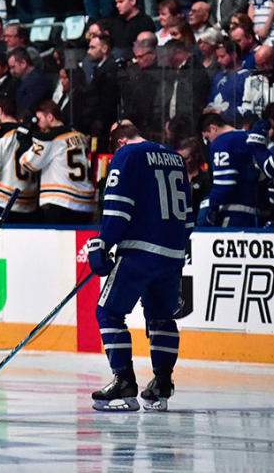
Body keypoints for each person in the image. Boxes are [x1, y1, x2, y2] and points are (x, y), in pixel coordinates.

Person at [86, 123, 191, 411]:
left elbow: (118, 208)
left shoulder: (127, 155)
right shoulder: (175, 158)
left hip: (139, 253)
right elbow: (189, 217)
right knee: (162, 316)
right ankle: (162, 385)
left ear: (120, 141)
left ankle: (124, 383)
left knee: (108, 312)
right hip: (172, 253)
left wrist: (103, 243)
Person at [19, 102, 96, 224]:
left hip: (61, 202)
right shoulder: (79, 135)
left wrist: (25, 142)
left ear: (50, 117)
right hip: (85, 203)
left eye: (39, 119)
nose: (37, 123)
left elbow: (28, 164)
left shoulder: (50, 138)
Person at [198, 112, 262, 227]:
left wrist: (209, 204)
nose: (209, 143)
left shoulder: (222, 142)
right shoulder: (248, 137)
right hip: (252, 210)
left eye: (207, 138)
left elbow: (225, 183)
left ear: (213, 128)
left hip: (231, 213)